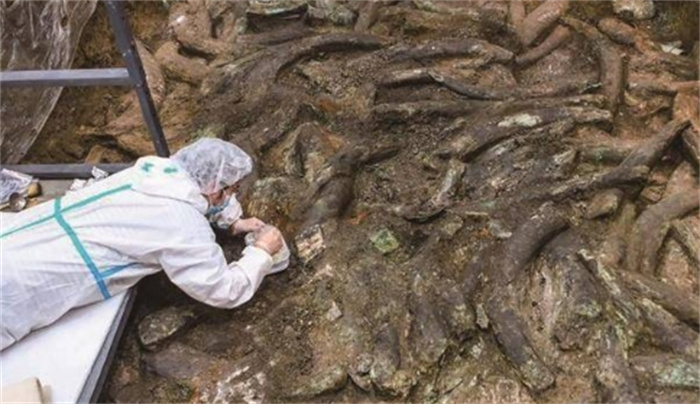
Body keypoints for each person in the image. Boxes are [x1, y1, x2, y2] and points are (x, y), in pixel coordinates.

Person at [0, 138, 288, 351]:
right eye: (232, 190)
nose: (231, 195)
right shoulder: (181, 224)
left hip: (17, 241)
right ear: (216, 188)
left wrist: (233, 221)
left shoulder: (154, 172)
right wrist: (261, 252)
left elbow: (203, 191)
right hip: (21, 285)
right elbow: (223, 289)